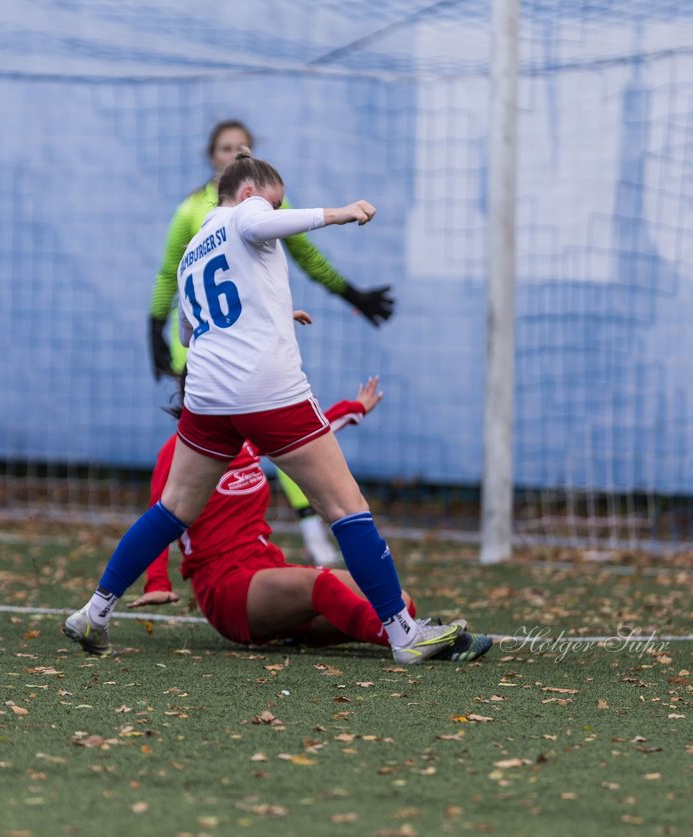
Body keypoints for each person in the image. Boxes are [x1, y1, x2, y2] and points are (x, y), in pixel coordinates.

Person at [65, 150, 465, 664]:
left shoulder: (192, 255)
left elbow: (194, 329)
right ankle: (403, 634)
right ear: (249, 193)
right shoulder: (247, 213)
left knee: (172, 509)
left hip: (208, 399)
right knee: (347, 507)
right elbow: (258, 227)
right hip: (265, 390)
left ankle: (95, 612)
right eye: (273, 206)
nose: (275, 219)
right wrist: (339, 213)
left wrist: (273, 310)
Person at [147, 120, 395, 567]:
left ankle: (293, 530)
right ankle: (201, 549)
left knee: (263, 450)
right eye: (222, 148)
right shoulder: (196, 211)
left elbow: (306, 255)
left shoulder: (263, 209)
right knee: (215, 463)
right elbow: (171, 274)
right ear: (213, 158)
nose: (229, 154)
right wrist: (153, 328)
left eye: (237, 147)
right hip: (207, 349)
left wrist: (351, 294)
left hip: (247, 338)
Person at [129, 374, 491, 661]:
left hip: (265, 568)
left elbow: (307, 435)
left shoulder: (247, 441)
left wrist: (356, 408)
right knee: (322, 588)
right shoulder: (177, 453)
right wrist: (157, 583)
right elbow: (160, 519)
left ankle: (296, 631)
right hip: (226, 589)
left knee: (400, 601)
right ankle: (414, 642)